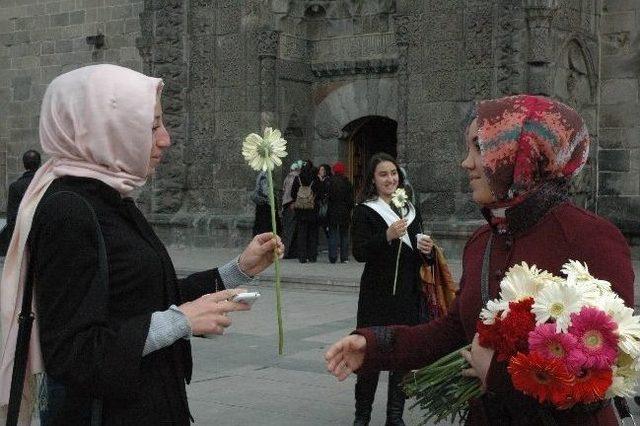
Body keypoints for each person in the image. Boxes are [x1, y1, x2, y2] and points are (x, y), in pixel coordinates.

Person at [325, 95, 635, 425]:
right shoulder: (483, 241)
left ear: (523, 153)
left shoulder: (589, 238)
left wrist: (499, 376)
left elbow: (603, 369)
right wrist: (372, 345)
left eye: (479, 147)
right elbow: (452, 330)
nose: (467, 163)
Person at [0, 64, 284, 425]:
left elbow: (147, 296)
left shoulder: (111, 197)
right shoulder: (68, 210)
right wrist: (180, 322)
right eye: (151, 126)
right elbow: (72, 353)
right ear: (106, 127)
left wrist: (238, 270)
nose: (165, 138)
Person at [349, 152, 434, 426]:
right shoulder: (365, 211)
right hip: (376, 295)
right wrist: (386, 236)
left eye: (393, 173)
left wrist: (428, 251)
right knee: (370, 355)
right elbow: (359, 252)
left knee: (401, 355)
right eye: (383, 174)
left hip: (406, 294)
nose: (390, 179)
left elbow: (420, 257)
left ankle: (394, 415)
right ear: (373, 180)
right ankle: (362, 415)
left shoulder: (409, 209)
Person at [0, 150, 41, 256]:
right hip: (43, 234)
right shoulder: (46, 184)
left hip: (23, 236)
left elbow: (12, 218)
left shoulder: (15, 186)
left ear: (24, 164)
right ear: (40, 163)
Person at [291, 160, 320, 263]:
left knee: (302, 233)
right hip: (312, 209)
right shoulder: (315, 179)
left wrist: (297, 201)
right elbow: (320, 192)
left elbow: (293, 193)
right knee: (313, 233)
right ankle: (312, 256)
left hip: (300, 210)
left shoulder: (298, 178)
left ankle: (302, 256)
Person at [326, 161, 353, 263]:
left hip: (332, 211)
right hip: (344, 212)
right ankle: (344, 257)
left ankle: (332, 257)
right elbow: (351, 200)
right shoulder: (347, 182)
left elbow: (327, 197)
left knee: (332, 234)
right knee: (344, 235)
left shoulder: (330, 182)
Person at [281, 160, 303, 258]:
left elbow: (284, 190)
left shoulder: (287, 177)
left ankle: (287, 252)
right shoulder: (296, 177)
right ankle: (286, 252)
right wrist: (294, 202)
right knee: (290, 230)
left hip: (286, 204)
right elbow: (294, 192)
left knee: (287, 229)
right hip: (292, 205)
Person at [251, 170, 280, 236]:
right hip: (265, 205)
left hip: (264, 204)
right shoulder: (264, 176)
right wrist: (271, 200)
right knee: (265, 226)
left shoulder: (263, 175)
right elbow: (265, 190)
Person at [316, 164, 332, 242]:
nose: (321, 171)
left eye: (323, 170)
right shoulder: (317, 179)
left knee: (326, 224)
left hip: (325, 205)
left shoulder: (328, 180)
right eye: (320, 169)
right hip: (319, 205)